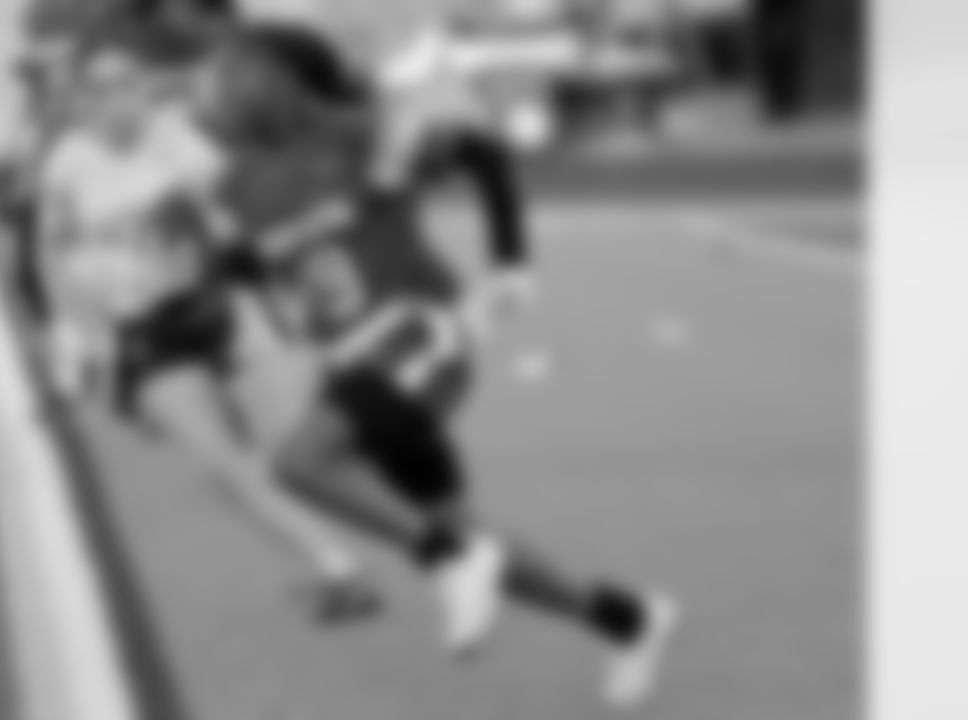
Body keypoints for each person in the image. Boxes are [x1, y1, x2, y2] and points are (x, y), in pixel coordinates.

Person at [188, 26, 681, 708]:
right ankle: (627, 619)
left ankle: (445, 560)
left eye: (235, 71)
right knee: (463, 531)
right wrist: (224, 288)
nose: (218, 89)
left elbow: (483, 154)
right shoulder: (231, 185)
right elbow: (265, 274)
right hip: (351, 360)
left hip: (421, 333)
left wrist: (511, 263)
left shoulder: (359, 137)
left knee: (298, 464)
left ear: (284, 80)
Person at [33, 47, 380, 623]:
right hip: (146, 333)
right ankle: (339, 565)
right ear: (81, 102)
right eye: (100, 91)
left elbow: (241, 218)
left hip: (217, 306)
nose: (118, 102)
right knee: (224, 466)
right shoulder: (68, 162)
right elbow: (52, 248)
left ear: (145, 92)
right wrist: (70, 326)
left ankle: (409, 539)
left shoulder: (181, 143)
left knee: (287, 451)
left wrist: (278, 257)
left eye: (128, 87)